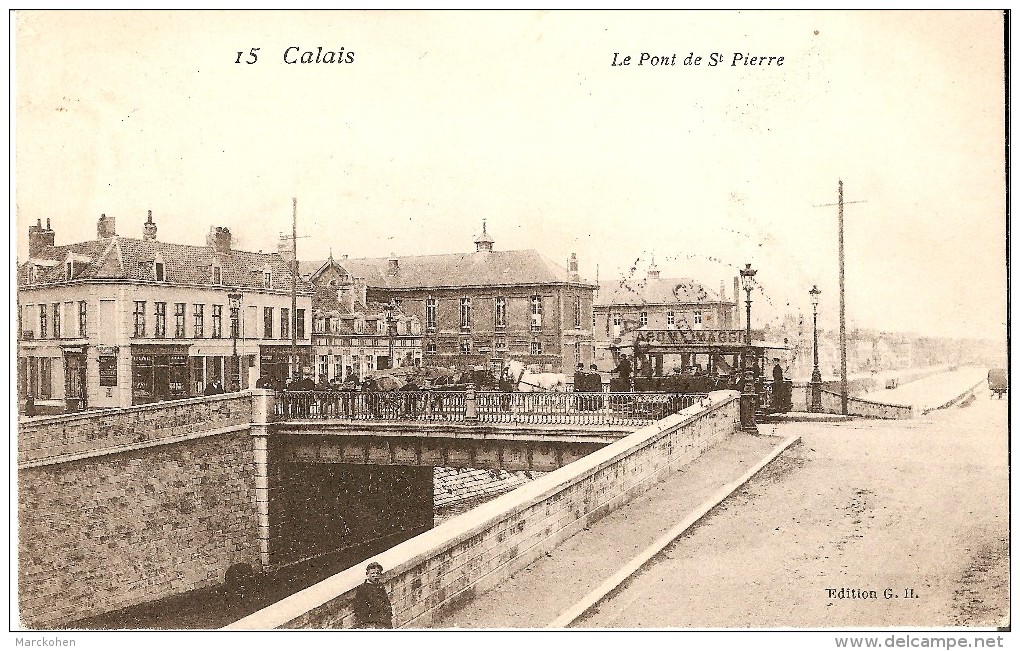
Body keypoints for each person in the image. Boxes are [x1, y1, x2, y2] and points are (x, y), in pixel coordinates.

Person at [352, 562, 393, 629]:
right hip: (372, 625)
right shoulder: (362, 589)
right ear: (367, 574)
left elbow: (387, 602)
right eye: (372, 573)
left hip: (385, 623)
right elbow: (359, 610)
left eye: (377, 573)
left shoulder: (380, 586)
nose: (375, 575)